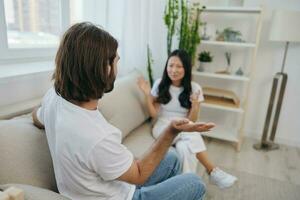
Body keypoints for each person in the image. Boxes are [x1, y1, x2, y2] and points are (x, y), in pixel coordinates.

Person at [31, 22, 215, 200]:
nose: (117, 69)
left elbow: (36, 117)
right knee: (195, 183)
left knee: (173, 158)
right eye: (116, 62)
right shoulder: (96, 135)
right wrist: (172, 131)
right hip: (122, 195)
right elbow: (139, 175)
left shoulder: (53, 98)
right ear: (103, 68)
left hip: (112, 182)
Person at [137, 49, 237, 189]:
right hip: (163, 126)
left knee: (185, 149)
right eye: (171, 65)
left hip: (185, 124)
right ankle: (212, 170)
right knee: (190, 132)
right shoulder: (160, 84)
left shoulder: (195, 88)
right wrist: (148, 95)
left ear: (186, 68)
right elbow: (154, 114)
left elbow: (192, 119)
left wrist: (195, 105)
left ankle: (185, 187)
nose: (174, 70)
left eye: (179, 66)